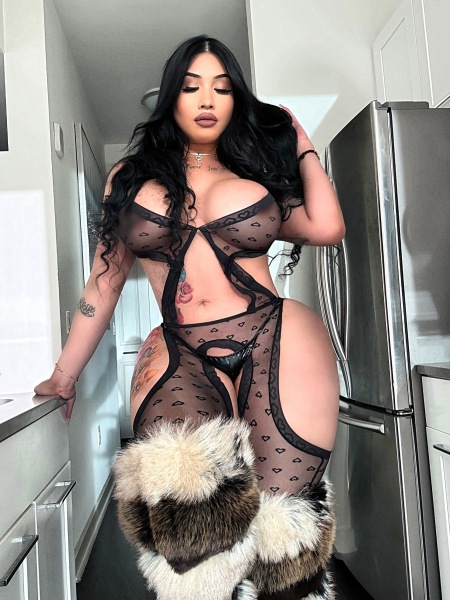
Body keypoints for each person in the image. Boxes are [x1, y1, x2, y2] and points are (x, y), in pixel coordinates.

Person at [35, 35, 344, 600]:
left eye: (222, 88)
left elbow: (327, 227)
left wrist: (303, 146)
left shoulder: (256, 175)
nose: (207, 99)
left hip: (276, 335)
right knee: (189, 539)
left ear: (235, 100)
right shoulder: (130, 178)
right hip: (181, 348)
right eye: (191, 86)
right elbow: (103, 284)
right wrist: (64, 374)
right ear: (171, 97)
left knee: (282, 533)